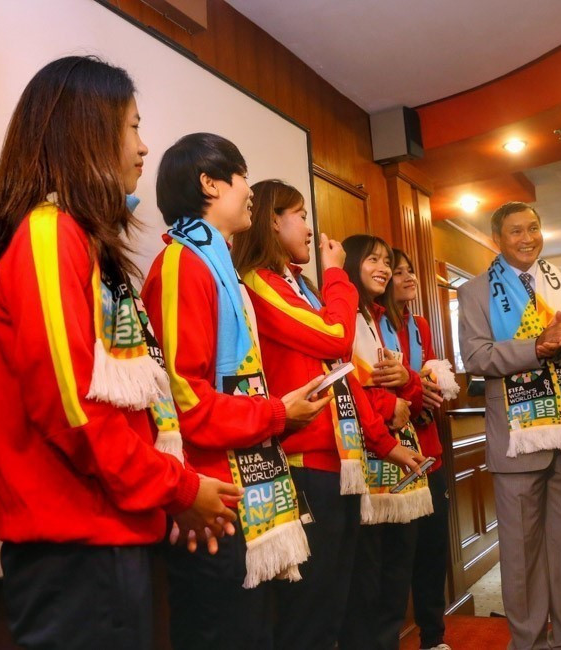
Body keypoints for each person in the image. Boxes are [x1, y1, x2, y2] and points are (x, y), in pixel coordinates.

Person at [0, 56, 239, 650]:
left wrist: (171, 493)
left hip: (108, 537)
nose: (144, 148)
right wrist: (177, 488)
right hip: (77, 553)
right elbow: (74, 412)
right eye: (133, 127)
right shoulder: (50, 233)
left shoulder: (84, 242)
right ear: (86, 131)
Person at [142, 137, 333, 648]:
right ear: (209, 183)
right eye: (243, 176)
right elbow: (187, 399)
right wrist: (276, 414)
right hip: (213, 501)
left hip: (246, 492)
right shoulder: (185, 263)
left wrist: (284, 413)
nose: (251, 190)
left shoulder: (220, 266)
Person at [232, 179, 422, 649]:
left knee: (337, 603)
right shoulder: (259, 279)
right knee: (310, 612)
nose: (311, 228)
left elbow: (344, 378)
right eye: (299, 214)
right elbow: (335, 337)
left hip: (343, 460)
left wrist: (384, 444)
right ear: (272, 221)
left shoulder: (303, 285)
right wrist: (337, 273)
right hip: (304, 465)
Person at [457, 201, 561, 650]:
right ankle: (528, 644)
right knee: (521, 557)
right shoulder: (476, 292)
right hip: (517, 443)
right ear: (497, 238)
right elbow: (477, 357)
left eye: (534, 228)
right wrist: (534, 347)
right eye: (516, 231)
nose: (527, 238)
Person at [339, 234, 431, 650]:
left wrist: (405, 386)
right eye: (373, 259)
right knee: (367, 580)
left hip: (398, 455)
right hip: (365, 455)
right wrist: (389, 402)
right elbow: (348, 384)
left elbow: (407, 388)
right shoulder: (341, 312)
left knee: (397, 572)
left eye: (386, 261)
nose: (382, 267)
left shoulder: (376, 317)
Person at [380, 248, 453, 650]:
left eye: (410, 270)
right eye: (398, 271)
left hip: (429, 450)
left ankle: (433, 637)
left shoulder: (420, 324)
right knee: (395, 560)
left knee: (431, 550)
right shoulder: (372, 320)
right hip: (391, 452)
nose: (408, 277)